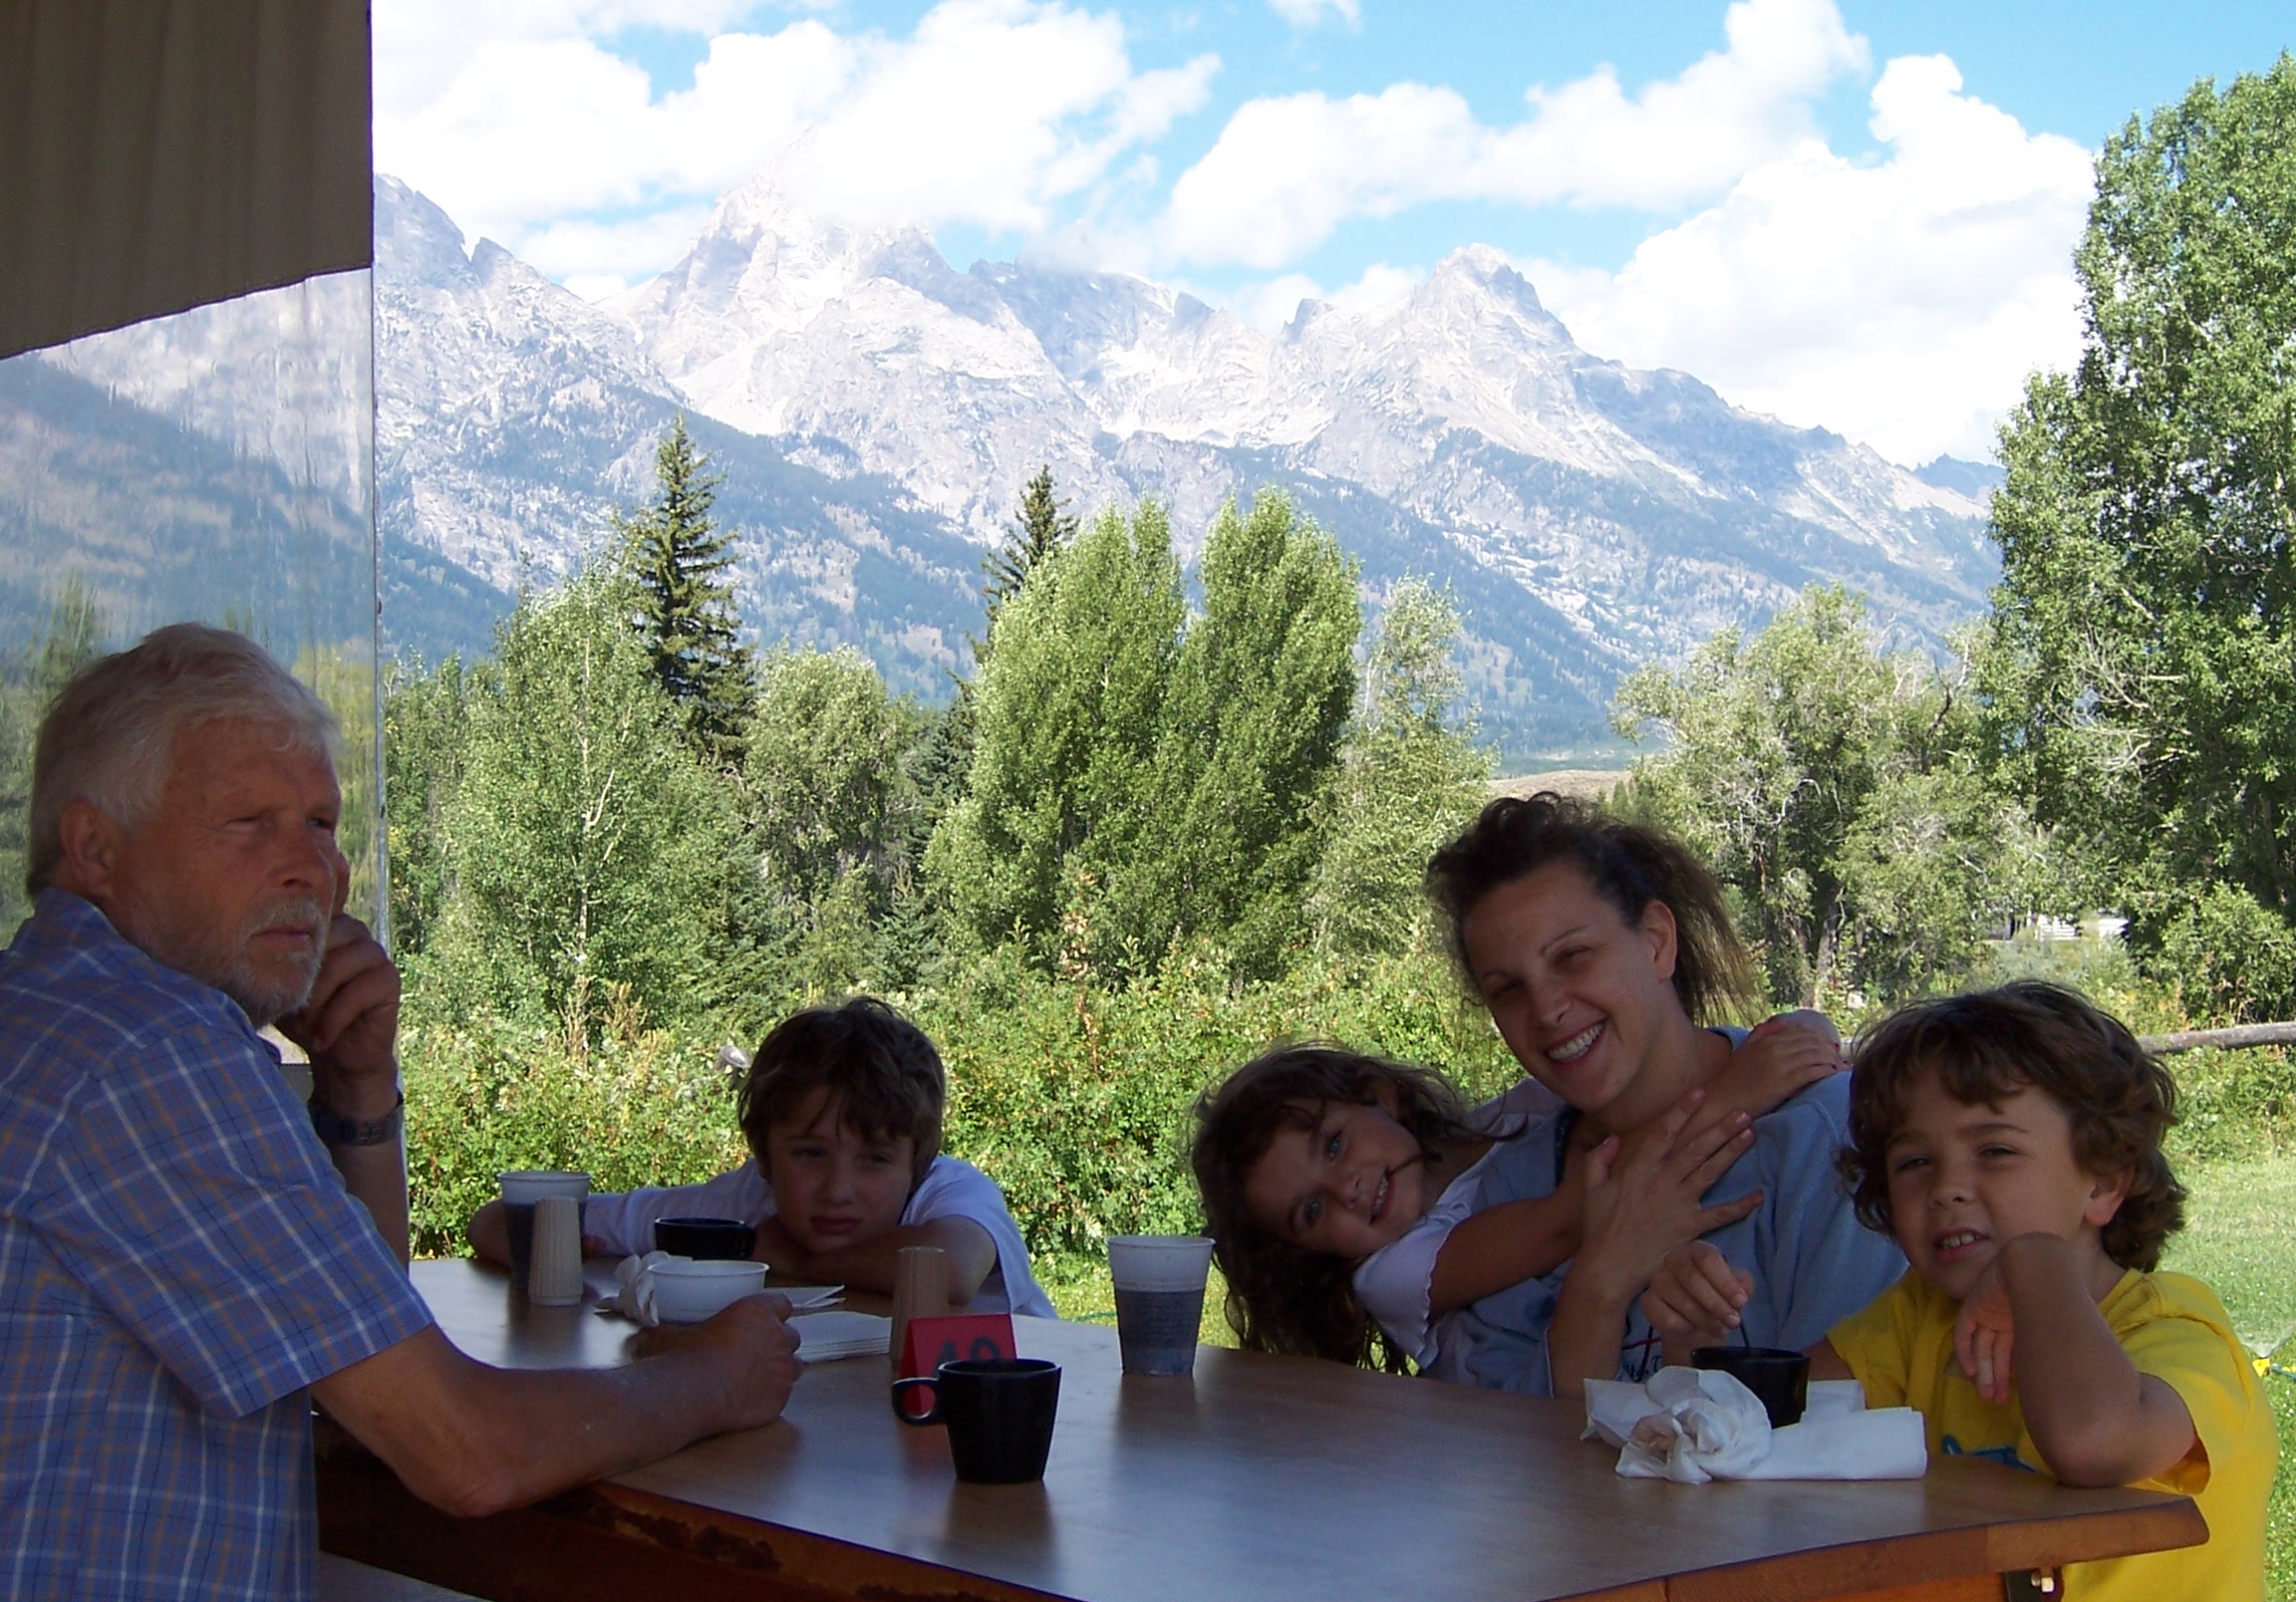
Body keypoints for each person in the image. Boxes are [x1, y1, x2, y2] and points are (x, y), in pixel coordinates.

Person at [0, 625, 800, 1602]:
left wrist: (358, 1088)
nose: (314, 871)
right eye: (252, 822)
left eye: (323, 824)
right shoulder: (149, 1050)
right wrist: (717, 1378)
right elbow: (464, 1450)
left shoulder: (54, 1015)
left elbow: (355, 1345)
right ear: (95, 848)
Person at [1646, 982, 2277, 1602]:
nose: (1947, 1188)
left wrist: (2032, 1262)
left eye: (1995, 1150)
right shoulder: (1915, 1322)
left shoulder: (2176, 1330)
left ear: (2105, 1182)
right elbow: (1763, 1441)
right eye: (1914, 1163)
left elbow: (2094, 1445)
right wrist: (1696, 1339)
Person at [1417, 792, 1905, 1397]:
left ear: (1656, 941)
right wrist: (1598, 1283)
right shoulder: (1516, 1187)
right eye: (1508, 990)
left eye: (1572, 957)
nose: (1546, 1010)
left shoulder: (1826, 1139)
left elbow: (1847, 1422)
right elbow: (1495, 1457)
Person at [1192, 1021, 1843, 1375]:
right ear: (1309, 1255)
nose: (1346, 1189)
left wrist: (1792, 1036)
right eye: (1312, 1212)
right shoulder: (1393, 1273)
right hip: (1514, 1432)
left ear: (1378, 1094)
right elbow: (1575, 1217)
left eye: (1333, 1146)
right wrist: (1736, 1094)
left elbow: (1639, 1098)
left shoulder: (1503, 1124)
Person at [472, 996, 1054, 1318]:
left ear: (917, 1161)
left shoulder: (952, 1191)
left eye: (874, 1159)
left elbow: (949, 1268)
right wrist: (549, 1246)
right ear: (765, 1156)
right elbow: (500, 1224)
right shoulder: (744, 1202)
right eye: (810, 1153)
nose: (837, 1188)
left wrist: (780, 1255)